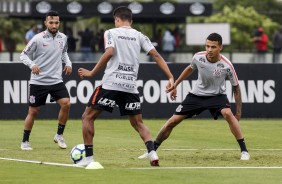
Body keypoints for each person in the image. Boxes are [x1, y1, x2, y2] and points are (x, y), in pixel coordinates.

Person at [76, 6, 174, 167]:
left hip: (111, 84)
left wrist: (92, 72)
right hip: (130, 86)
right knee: (138, 123)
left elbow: (109, 52)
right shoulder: (139, 35)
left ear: (117, 19)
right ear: (131, 21)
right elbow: (156, 55)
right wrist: (170, 76)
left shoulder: (110, 32)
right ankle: (152, 153)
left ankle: (88, 158)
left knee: (87, 117)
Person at [140, 33, 250, 161]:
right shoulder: (198, 57)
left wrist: (239, 112)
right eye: (207, 46)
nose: (209, 50)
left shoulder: (227, 65)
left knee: (227, 113)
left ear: (220, 47)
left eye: (213, 47)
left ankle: (244, 151)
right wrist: (175, 85)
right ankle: (152, 150)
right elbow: (190, 68)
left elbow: (236, 87)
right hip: (196, 95)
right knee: (172, 122)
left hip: (217, 96)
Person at [20, 10, 72, 150]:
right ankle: (25, 141)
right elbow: (23, 55)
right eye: (51, 22)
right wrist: (33, 65)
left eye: (56, 22)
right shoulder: (37, 38)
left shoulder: (63, 37)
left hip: (56, 80)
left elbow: (64, 53)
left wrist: (68, 63)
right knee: (33, 112)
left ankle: (59, 135)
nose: (54, 25)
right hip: (38, 81)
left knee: (66, 104)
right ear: (45, 23)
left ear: (59, 23)